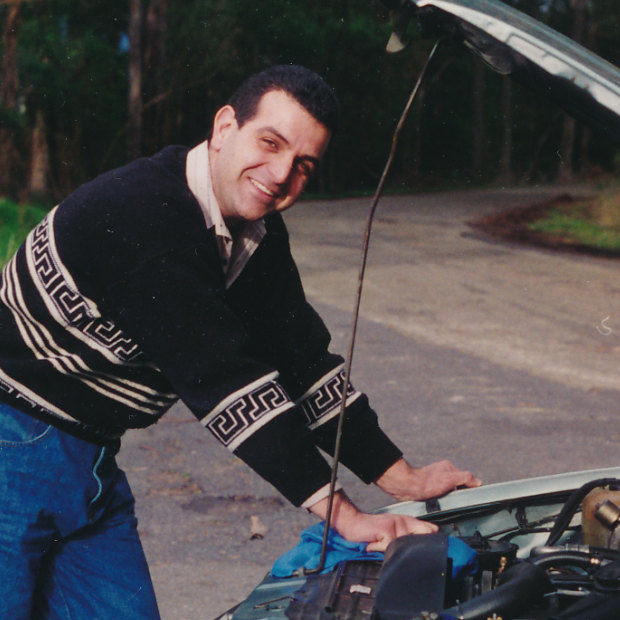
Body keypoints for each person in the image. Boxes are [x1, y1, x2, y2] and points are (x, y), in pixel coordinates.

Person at [0, 65, 480, 618]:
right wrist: (348, 518)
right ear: (225, 126)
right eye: (270, 143)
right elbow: (227, 383)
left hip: (89, 458)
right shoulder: (147, 213)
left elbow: (304, 364)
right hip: (13, 445)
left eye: (303, 166)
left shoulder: (253, 233)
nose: (280, 176)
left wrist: (404, 477)